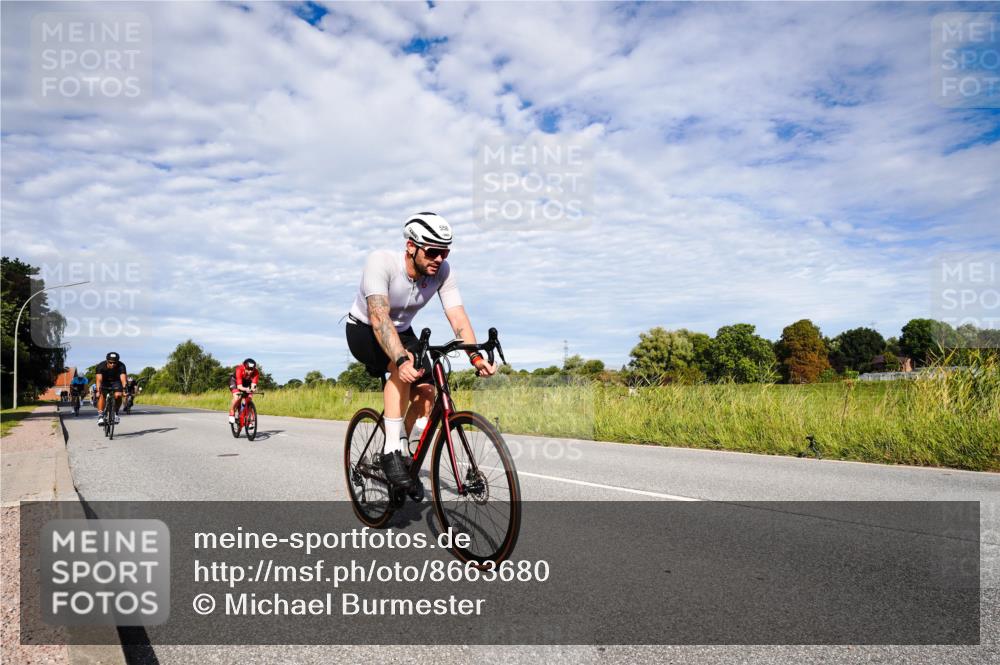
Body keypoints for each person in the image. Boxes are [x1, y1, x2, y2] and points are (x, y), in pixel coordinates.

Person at [345, 212, 497, 490]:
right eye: (433, 251)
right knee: (402, 368)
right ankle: (391, 450)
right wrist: (400, 359)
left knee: (427, 391)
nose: (439, 259)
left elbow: (457, 316)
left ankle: (402, 447)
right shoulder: (381, 262)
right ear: (411, 247)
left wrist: (475, 356)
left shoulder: (443, 271)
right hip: (364, 330)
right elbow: (379, 317)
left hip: (402, 331)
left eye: (445, 252)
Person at [94, 352, 128, 426]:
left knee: (118, 395)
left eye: (115, 363)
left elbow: (123, 379)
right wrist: (98, 391)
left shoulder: (121, 365)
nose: (113, 364)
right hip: (104, 382)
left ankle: (115, 412)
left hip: (116, 381)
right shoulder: (101, 366)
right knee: (101, 394)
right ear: (107, 361)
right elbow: (98, 380)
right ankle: (100, 415)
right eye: (111, 362)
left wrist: (125, 390)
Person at [228, 358, 259, 424]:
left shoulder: (256, 372)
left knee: (249, 398)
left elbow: (253, 385)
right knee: (237, 396)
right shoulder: (239, 369)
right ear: (244, 367)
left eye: (252, 369)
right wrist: (247, 389)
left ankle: (249, 418)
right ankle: (232, 411)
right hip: (235, 382)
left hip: (246, 382)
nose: (250, 371)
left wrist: (253, 389)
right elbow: (239, 387)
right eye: (248, 369)